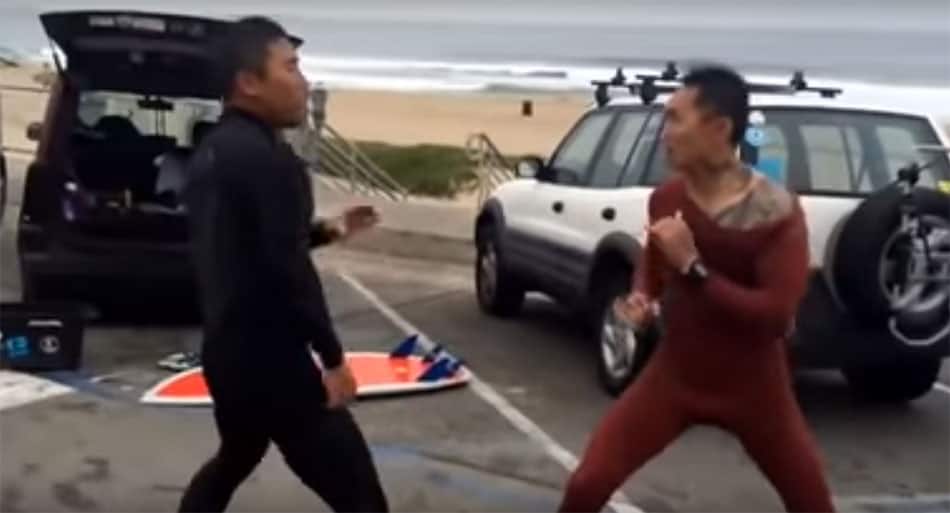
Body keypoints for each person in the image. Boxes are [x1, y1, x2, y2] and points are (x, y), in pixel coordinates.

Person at [557, 65, 835, 512]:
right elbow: (653, 266)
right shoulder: (666, 198)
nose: (662, 133)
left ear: (719, 129)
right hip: (676, 375)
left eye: (674, 119)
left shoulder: (775, 212)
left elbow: (774, 317)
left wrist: (694, 267)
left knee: (813, 505)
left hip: (755, 388)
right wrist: (642, 298)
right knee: (586, 485)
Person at [178, 16, 388, 512]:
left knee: (237, 455)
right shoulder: (268, 160)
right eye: (290, 68)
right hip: (274, 365)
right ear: (249, 83)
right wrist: (333, 360)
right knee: (363, 500)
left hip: (226, 355)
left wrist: (330, 229)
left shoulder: (214, 150)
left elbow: (256, 245)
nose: (304, 82)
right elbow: (288, 269)